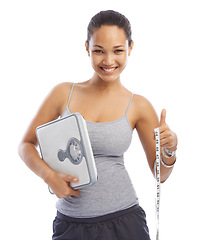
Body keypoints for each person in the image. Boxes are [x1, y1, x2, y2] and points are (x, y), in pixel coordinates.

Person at [18, 10, 178, 240]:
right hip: (71, 225)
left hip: (125, 222)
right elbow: (25, 144)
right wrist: (49, 177)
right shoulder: (63, 93)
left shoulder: (139, 105)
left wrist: (171, 146)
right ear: (87, 48)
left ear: (130, 48)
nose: (109, 61)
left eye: (118, 51)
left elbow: (160, 174)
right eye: (99, 51)